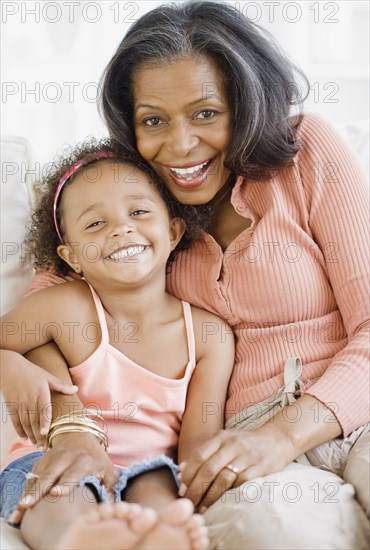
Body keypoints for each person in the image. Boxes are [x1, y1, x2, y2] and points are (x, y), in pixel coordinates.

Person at [2, 1, 370, 548]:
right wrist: (69, 419)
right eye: (153, 120)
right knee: (273, 529)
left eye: (206, 113)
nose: (178, 145)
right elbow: (47, 313)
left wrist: (281, 436)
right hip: (235, 444)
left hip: (354, 410)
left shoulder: (305, 151)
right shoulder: (134, 197)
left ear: (246, 107)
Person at [0, 139, 236, 549]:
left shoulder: (209, 335)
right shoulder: (63, 309)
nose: (121, 228)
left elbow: (196, 445)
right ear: (71, 256)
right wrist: (9, 364)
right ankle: (78, 539)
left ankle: (161, 536)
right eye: (95, 224)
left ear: (174, 230)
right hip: (54, 459)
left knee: (161, 498)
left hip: (151, 469)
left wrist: (200, 488)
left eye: (139, 212)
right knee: (59, 497)